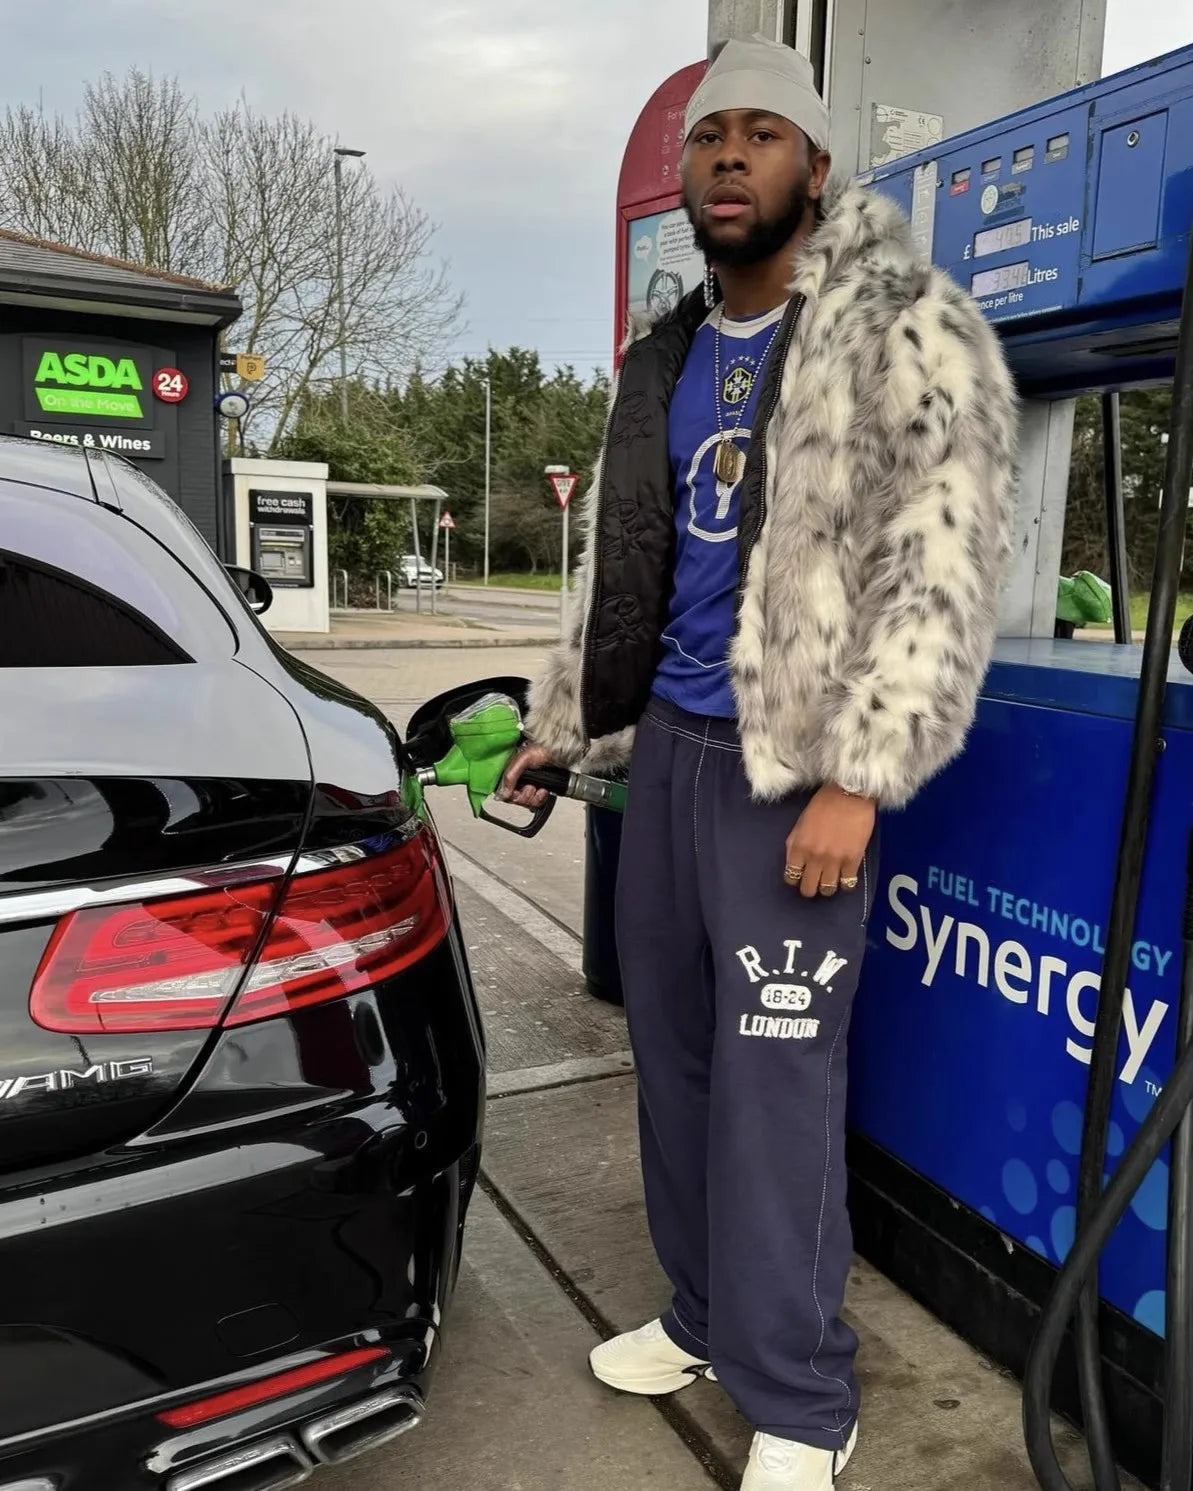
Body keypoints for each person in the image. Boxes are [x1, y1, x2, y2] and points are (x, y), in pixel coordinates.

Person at [502, 34, 1017, 1491]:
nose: (729, 155)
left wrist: (858, 777)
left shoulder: (905, 329)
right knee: (670, 1063)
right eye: (708, 135)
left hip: (790, 772)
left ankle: (799, 1391)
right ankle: (705, 1314)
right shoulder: (662, 354)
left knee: (778, 1083)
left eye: (761, 134)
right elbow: (623, 565)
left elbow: (943, 573)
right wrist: (560, 725)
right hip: (663, 754)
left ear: (815, 167)